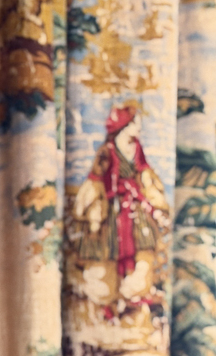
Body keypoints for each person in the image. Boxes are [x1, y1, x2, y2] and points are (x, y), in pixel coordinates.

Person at [72, 102, 169, 313]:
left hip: (134, 205)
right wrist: (91, 208)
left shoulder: (137, 148)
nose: (139, 128)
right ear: (125, 125)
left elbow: (145, 175)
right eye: (136, 123)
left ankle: (132, 291)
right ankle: (108, 294)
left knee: (142, 244)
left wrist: (155, 201)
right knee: (109, 247)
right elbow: (95, 179)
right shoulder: (108, 151)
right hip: (112, 207)